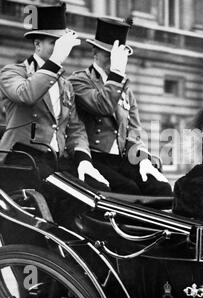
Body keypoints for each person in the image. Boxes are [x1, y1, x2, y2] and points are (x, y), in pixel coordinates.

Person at [0, 3, 108, 189]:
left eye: (61, 44)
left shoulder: (65, 84)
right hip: (21, 158)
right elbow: (26, 95)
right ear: (37, 44)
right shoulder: (12, 72)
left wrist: (84, 161)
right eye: (54, 43)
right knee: (73, 195)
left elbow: (76, 128)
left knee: (100, 189)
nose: (60, 49)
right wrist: (55, 60)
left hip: (56, 159)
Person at [68, 17, 172, 196]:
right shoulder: (78, 81)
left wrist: (143, 160)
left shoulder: (125, 89)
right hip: (93, 156)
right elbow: (103, 106)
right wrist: (116, 74)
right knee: (128, 190)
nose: (113, 61)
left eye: (118, 56)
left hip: (122, 158)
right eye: (108, 54)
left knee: (160, 189)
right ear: (95, 51)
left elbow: (134, 131)